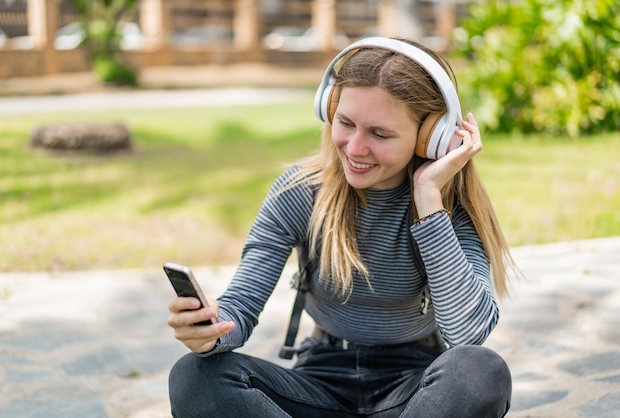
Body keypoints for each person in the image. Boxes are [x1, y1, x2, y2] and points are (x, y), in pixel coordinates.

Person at [167, 36, 519, 418]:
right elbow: (241, 305)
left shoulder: (450, 207)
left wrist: (428, 197)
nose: (354, 148)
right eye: (346, 123)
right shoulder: (299, 193)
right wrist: (209, 331)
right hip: (319, 381)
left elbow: (467, 336)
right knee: (194, 376)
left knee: (481, 371)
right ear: (329, 109)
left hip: (414, 392)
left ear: (429, 138)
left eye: (380, 134)